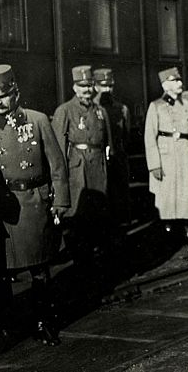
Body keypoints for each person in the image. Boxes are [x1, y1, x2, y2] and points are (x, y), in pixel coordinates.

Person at [0, 64, 71, 347]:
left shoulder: (37, 121)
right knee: (1, 273)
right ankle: (7, 327)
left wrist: (61, 199)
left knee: (39, 269)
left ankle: (43, 322)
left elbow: (57, 164)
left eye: (3, 96)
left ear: (15, 93)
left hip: (32, 205)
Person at [52, 65, 113, 270]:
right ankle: (80, 261)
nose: (87, 90)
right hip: (77, 169)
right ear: (74, 87)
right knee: (77, 217)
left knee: (97, 215)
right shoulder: (65, 111)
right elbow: (57, 149)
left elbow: (108, 142)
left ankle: (94, 258)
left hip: (97, 167)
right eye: (82, 86)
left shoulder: (100, 111)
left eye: (89, 86)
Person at [144, 67, 188, 249]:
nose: (180, 84)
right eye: (175, 81)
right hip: (166, 158)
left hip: (185, 156)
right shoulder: (156, 106)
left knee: (186, 196)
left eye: (179, 80)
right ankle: (168, 233)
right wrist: (154, 164)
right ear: (165, 85)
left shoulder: (187, 106)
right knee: (167, 199)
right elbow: (149, 137)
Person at [93, 68, 132, 227]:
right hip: (97, 161)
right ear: (95, 87)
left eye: (110, 86)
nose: (107, 90)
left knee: (118, 198)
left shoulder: (122, 109)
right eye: (103, 86)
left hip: (117, 160)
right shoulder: (92, 108)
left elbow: (126, 136)